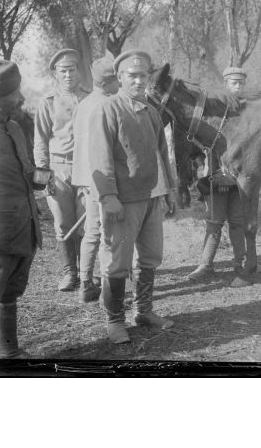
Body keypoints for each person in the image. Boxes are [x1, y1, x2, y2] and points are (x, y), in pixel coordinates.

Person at [89, 50, 176, 344]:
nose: (139, 81)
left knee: (150, 257)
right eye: (132, 76)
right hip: (122, 201)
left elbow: (162, 155)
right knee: (117, 261)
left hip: (152, 196)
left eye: (143, 76)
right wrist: (108, 195)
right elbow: (100, 157)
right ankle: (114, 321)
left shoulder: (152, 112)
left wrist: (170, 191)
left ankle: (144, 311)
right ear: (121, 78)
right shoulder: (109, 109)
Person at [0, 60, 43, 359]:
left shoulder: (14, 127)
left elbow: (27, 170)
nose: (22, 98)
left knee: (11, 291)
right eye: (14, 94)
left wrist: (45, 179)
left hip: (23, 228)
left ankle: (8, 351)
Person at [34, 48, 89, 291]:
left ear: (79, 71)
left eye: (72, 69)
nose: (68, 75)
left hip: (86, 169)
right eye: (63, 71)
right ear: (56, 74)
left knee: (88, 223)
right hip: (58, 169)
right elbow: (40, 141)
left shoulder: (90, 99)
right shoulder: (47, 103)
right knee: (63, 223)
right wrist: (43, 175)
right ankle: (70, 272)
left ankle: (88, 272)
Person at [187, 66, 248, 283]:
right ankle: (205, 265)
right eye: (234, 83)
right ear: (226, 84)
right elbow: (204, 142)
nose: (238, 87)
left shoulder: (248, 111)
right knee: (214, 222)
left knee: (238, 222)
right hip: (216, 176)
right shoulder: (215, 110)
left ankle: (240, 264)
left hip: (241, 179)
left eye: (241, 83)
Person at [71, 56, 120, 302]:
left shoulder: (85, 102)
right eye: (117, 80)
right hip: (99, 177)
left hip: (84, 176)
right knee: (105, 232)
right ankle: (107, 289)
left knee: (92, 231)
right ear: (110, 81)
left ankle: (85, 284)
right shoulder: (108, 105)